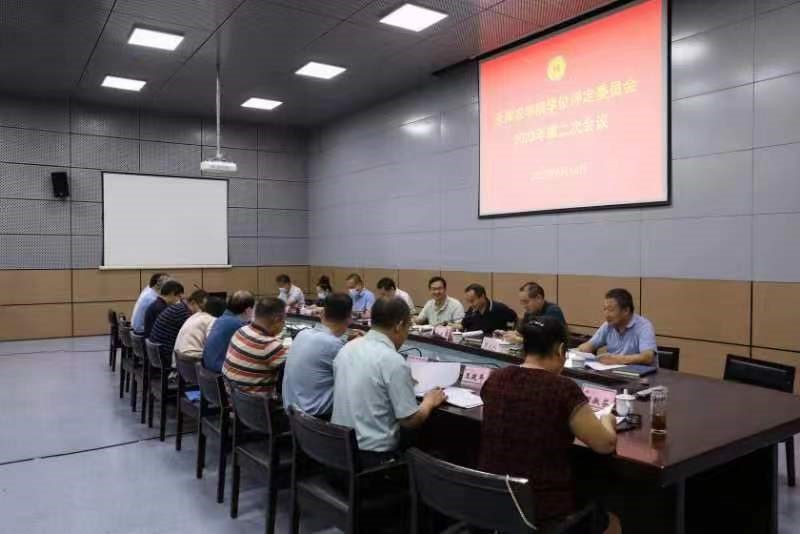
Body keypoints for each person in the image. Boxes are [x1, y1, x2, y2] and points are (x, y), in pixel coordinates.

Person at [480, 317, 620, 533]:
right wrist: (607, 420)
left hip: (492, 504)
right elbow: (605, 444)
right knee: (613, 522)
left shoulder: (495, 379)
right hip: (543, 513)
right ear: (560, 349)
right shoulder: (563, 389)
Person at [332, 297, 446, 466]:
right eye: (408, 327)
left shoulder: (348, 347)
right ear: (399, 326)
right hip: (372, 459)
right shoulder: (393, 361)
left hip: (337, 449)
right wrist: (429, 401)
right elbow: (409, 421)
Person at [282, 293, 353, 419]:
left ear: (322, 314)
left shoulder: (302, 334)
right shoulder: (335, 345)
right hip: (317, 419)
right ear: (349, 319)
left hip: (293, 415)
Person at [222, 297, 288, 397]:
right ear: (277, 319)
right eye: (284, 320)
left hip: (232, 396)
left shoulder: (241, 331)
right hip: (256, 403)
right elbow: (293, 370)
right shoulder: (269, 345)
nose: (284, 324)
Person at [577, 288, 657, 365]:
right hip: (615, 371)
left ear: (626, 310)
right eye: (605, 309)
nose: (606, 315)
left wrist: (617, 359)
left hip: (640, 373)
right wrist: (578, 351)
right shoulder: (608, 325)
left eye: (610, 310)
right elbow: (590, 345)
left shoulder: (644, 326)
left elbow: (647, 357)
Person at [203, 290, 255, 373]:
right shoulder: (237, 324)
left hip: (208, 367)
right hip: (219, 369)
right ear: (248, 310)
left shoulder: (222, 318)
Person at [149, 289, 207, 358]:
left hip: (158, 351)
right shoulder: (184, 313)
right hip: (165, 354)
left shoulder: (179, 307)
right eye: (201, 308)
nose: (201, 311)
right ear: (193, 303)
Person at [174, 296, 226, 360]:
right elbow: (212, 344)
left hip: (179, 357)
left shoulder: (195, 316)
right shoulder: (212, 320)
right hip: (192, 358)